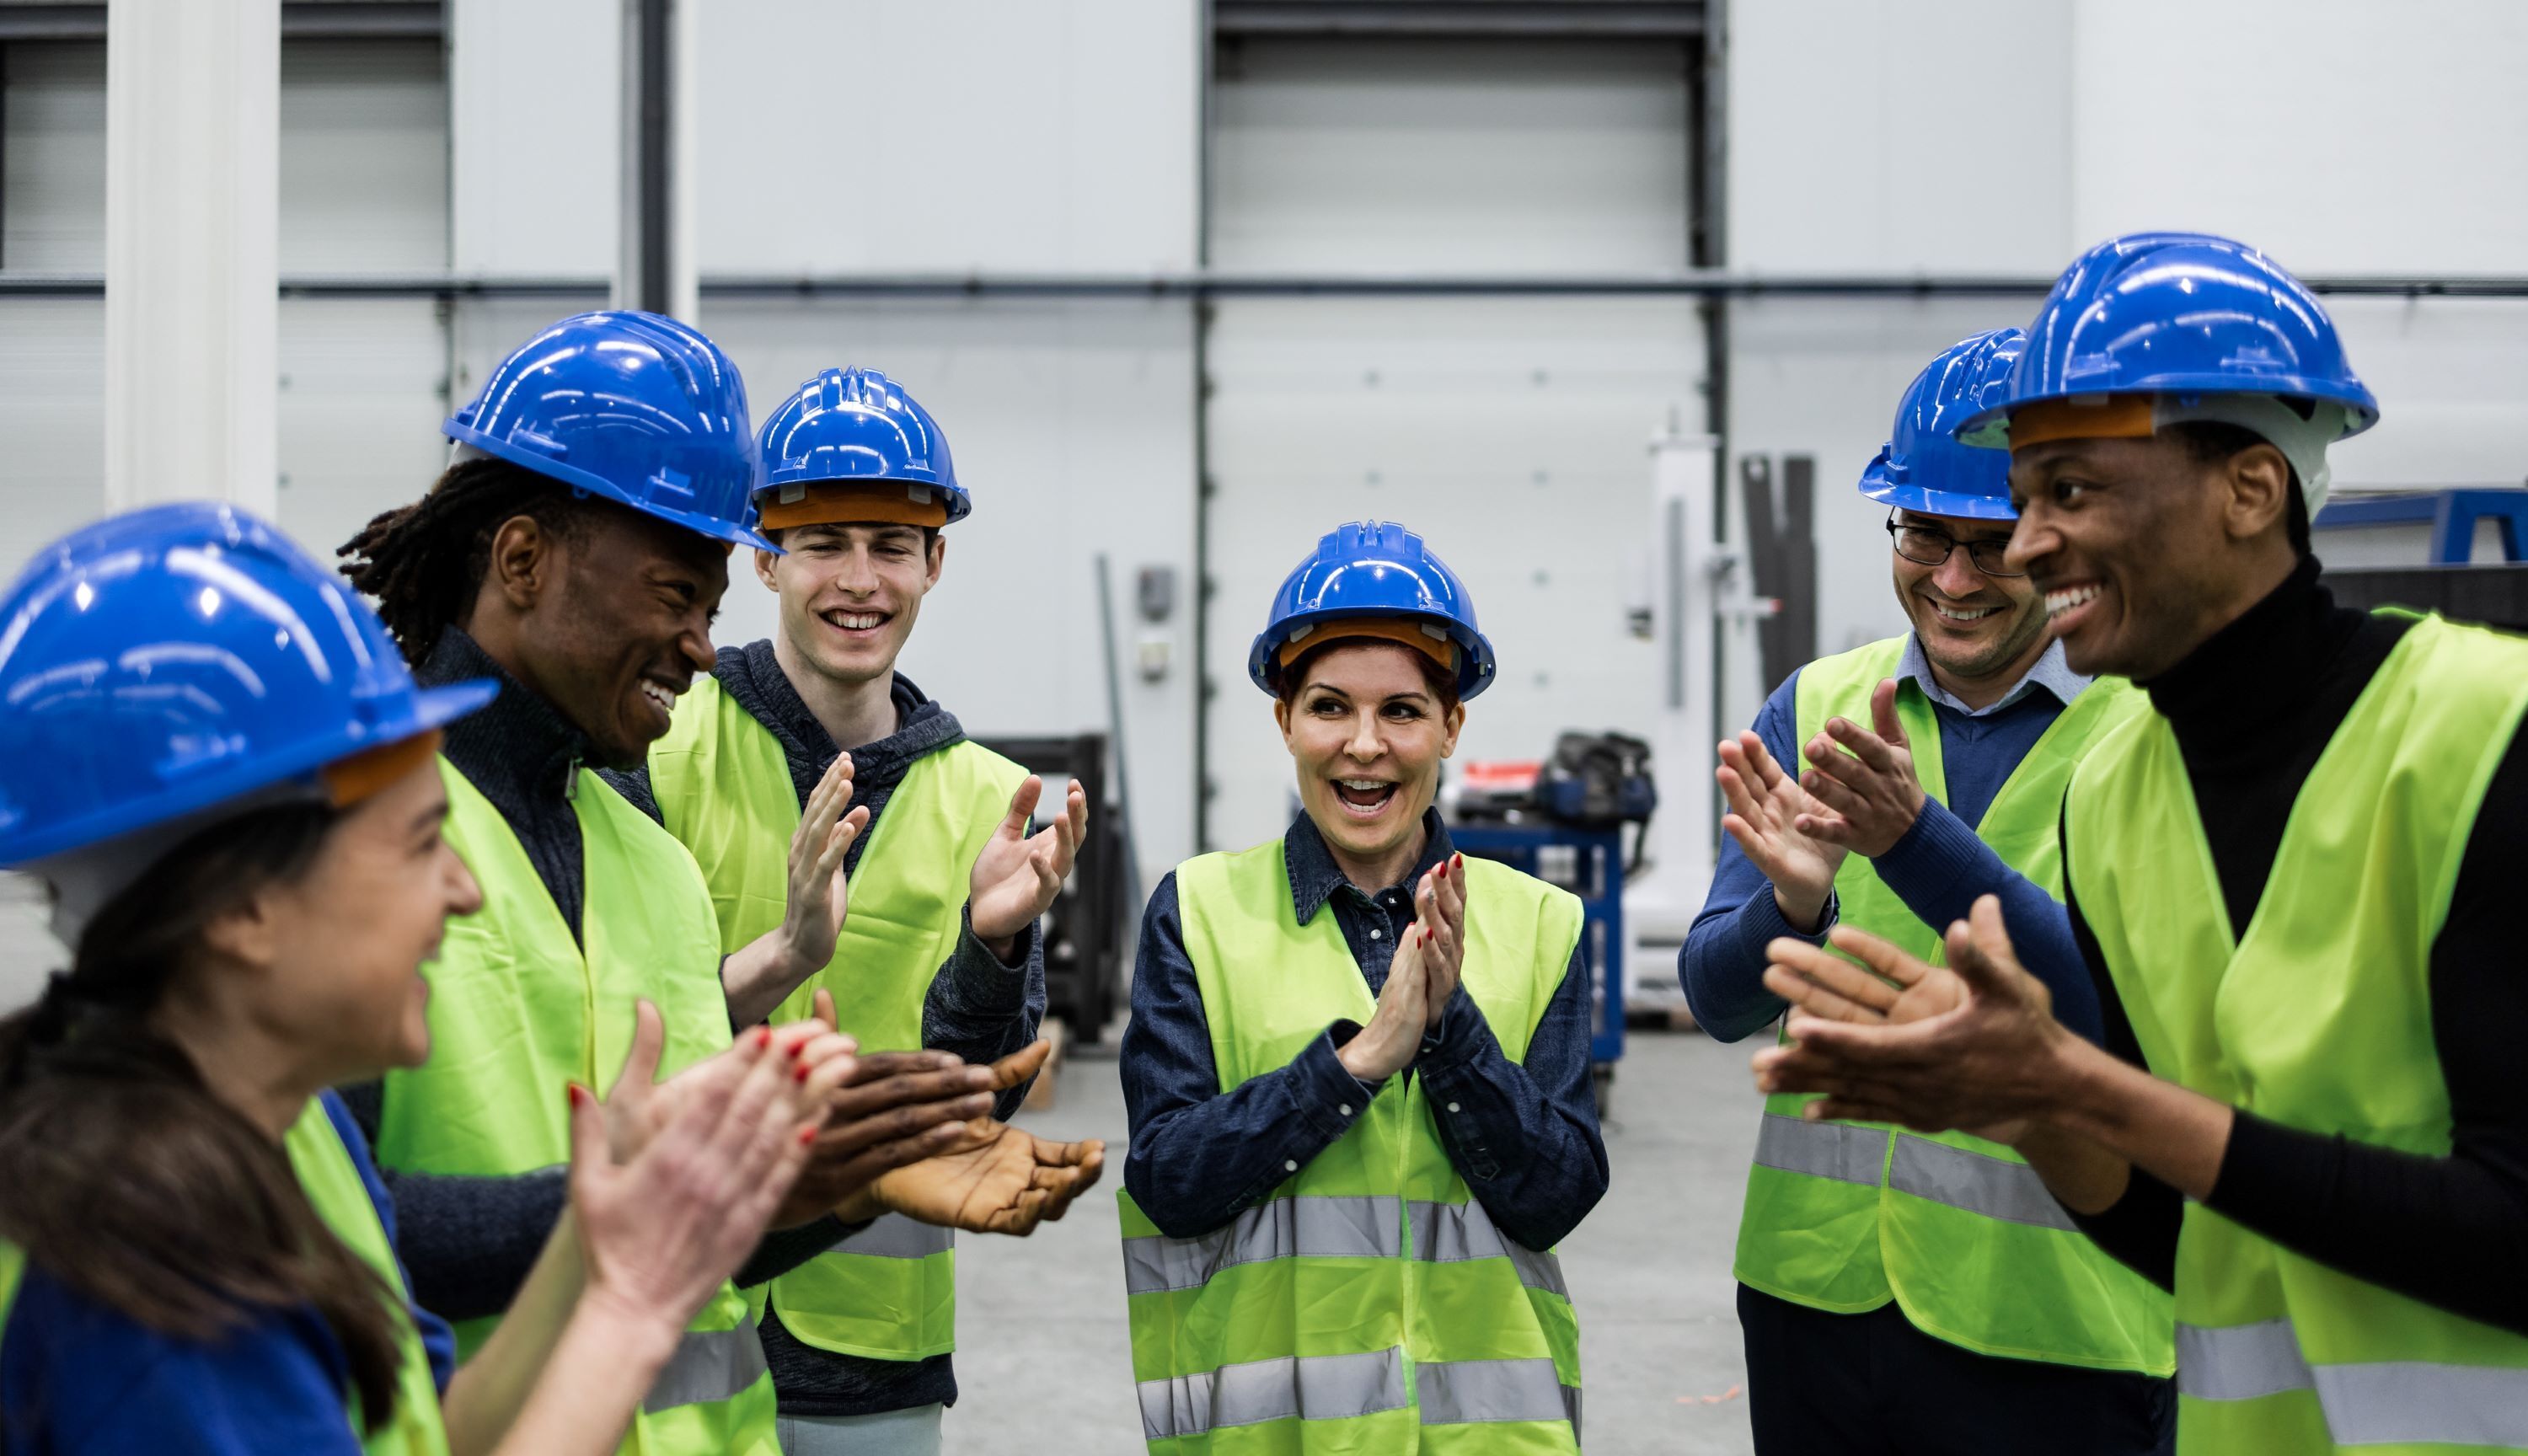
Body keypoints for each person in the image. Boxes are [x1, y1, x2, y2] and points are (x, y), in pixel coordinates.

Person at [1754, 232, 2528, 1454]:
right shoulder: (2121, 790)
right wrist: (2028, 1109)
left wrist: (2080, 1089)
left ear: (2251, 488)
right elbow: (2176, 1231)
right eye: (2023, 500)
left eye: (2072, 491)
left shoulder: (2486, 734)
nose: (2028, 544)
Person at [334, 311, 1103, 1456]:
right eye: (671, 598)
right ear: (523, 560)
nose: (701, 648)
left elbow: (695, 1251)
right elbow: (302, 1222)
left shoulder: (643, 859)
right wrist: (639, 1204)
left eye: (708, 613)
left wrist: (843, 1185)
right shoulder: (343, 839)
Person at [0, 502, 860, 1455]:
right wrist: (634, 1303)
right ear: (241, 905)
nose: (461, 886)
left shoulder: (294, 1137)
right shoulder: (145, 1263)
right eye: (418, 843)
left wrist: (606, 1220)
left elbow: (428, 1432)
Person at [1680, 329, 2173, 1452]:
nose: (1950, 580)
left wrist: (1909, 842)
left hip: (2059, 1319)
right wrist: (1791, 910)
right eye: (1922, 535)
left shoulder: (2154, 728)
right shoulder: (1816, 705)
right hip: (1816, 1297)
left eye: (1990, 543)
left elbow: (2130, 1020)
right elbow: (1715, 1004)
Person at [607, 366, 1092, 1455]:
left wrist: (992, 946)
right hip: (671, 1311)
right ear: (765, 557)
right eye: (825, 544)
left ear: (935, 563)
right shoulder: (661, 745)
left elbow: (980, 1109)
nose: (858, 580)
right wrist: (783, 955)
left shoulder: (989, 799)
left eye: (889, 545)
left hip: (874, 1353)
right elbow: (610, 1032)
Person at [1118, 522, 1607, 1453]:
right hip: (1272, 1433)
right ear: (1286, 721)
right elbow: (1169, 1181)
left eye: (1404, 712)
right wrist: (1357, 1064)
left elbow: (1559, 1195)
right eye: (1332, 708)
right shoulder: (1197, 910)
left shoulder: (1545, 924)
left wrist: (1450, 1029)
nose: (1365, 746)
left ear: (1451, 727)